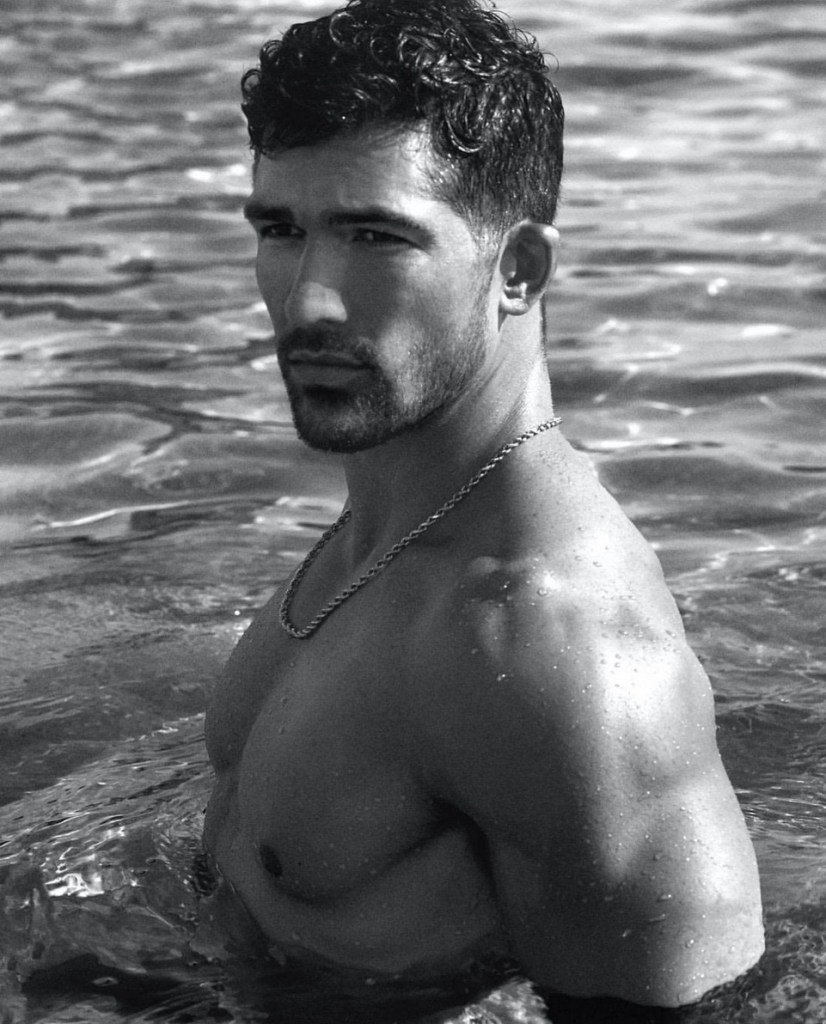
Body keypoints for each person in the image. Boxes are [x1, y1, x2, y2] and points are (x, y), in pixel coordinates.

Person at [202, 0, 765, 1019]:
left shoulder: (554, 649)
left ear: (519, 271)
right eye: (281, 230)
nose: (309, 300)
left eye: (376, 236)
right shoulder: (390, 530)